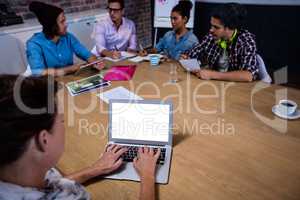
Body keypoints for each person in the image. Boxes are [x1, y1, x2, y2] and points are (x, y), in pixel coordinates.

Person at [0, 75, 160, 200]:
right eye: (62, 121)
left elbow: (51, 185)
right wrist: (147, 176)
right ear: (44, 140)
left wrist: (94, 169)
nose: (65, 124)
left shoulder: (22, 174)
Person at [181, 3, 259, 82]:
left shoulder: (245, 40)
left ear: (230, 27)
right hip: (215, 87)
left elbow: (249, 75)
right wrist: (186, 58)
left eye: (216, 27)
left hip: (237, 89)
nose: (211, 30)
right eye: (211, 25)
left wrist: (212, 74)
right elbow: (191, 53)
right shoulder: (211, 37)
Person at [26, 1, 104, 76]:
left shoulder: (68, 37)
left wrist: (94, 63)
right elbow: (38, 73)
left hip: (70, 80)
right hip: (49, 85)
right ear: (52, 25)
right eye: (62, 22)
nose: (66, 24)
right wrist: (68, 69)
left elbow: (87, 54)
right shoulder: (34, 44)